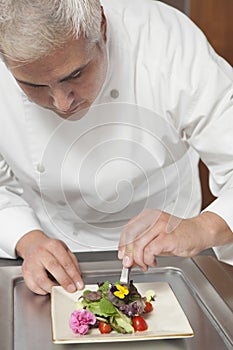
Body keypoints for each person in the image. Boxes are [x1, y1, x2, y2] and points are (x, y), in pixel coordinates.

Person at [0, 0, 233, 295]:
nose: (62, 103)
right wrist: (28, 240)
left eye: (74, 75)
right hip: (50, 258)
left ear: (102, 27)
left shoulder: (163, 40)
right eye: (34, 85)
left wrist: (204, 228)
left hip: (175, 252)